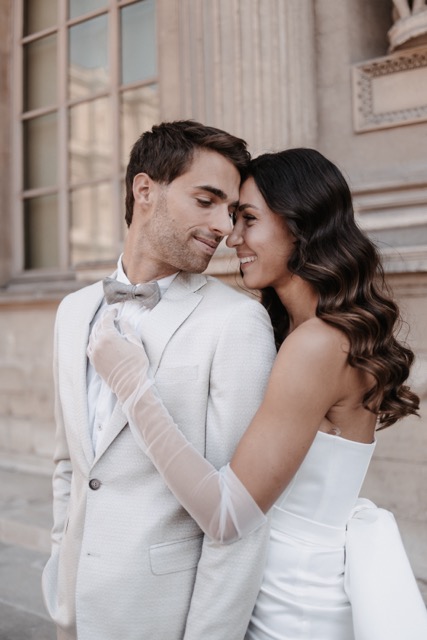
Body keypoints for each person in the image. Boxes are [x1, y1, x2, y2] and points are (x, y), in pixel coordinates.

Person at [88, 148, 427, 640]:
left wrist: (132, 386)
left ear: (300, 223)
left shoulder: (316, 343)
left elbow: (227, 515)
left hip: (291, 607)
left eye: (248, 219)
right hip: (274, 583)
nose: (233, 237)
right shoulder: (308, 331)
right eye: (232, 219)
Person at [41, 120, 277, 640]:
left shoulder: (237, 323)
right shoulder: (73, 311)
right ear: (145, 189)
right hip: (74, 610)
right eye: (207, 200)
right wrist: (62, 569)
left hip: (162, 618)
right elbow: (69, 466)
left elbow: (238, 523)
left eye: (233, 212)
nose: (224, 227)